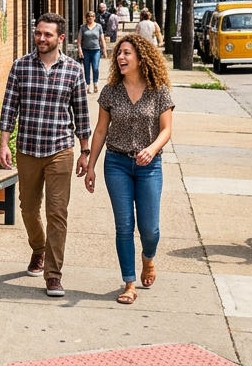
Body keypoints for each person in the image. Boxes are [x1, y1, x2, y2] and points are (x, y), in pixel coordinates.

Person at [0, 13, 92, 298]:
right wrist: (4, 144)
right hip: (27, 148)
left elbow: (81, 113)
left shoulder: (74, 70)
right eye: (38, 33)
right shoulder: (21, 66)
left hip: (60, 150)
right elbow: (9, 107)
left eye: (47, 34)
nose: (41, 38)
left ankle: (53, 275)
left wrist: (85, 151)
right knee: (28, 208)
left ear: (60, 38)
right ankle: (38, 248)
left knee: (57, 212)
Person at [84, 34, 174, 305]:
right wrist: (91, 166)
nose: (120, 57)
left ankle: (148, 258)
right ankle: (129, 283)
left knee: (150, 229)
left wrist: (152, 149)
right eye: (119, 53)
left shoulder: (158, 90)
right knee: (124, 226)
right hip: (117, 163)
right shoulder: (111, 91)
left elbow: (166, 129)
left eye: (126, 53)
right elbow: (101, 130)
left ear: (141, 58)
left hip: (149, 166)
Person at [78, 11, 105, 94]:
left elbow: (102, 38)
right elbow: (79, 40)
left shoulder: (98, 26)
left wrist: (104, 49)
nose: (90, 17)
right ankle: (87, 85)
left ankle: (95, 83)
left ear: (94, 17)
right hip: (85, 50)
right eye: (89, 16)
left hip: (96, 50)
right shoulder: (83, 27)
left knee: (95, 68)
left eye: (92, 16)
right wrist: (80, 50)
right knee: (86, 68)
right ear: (86, 17)